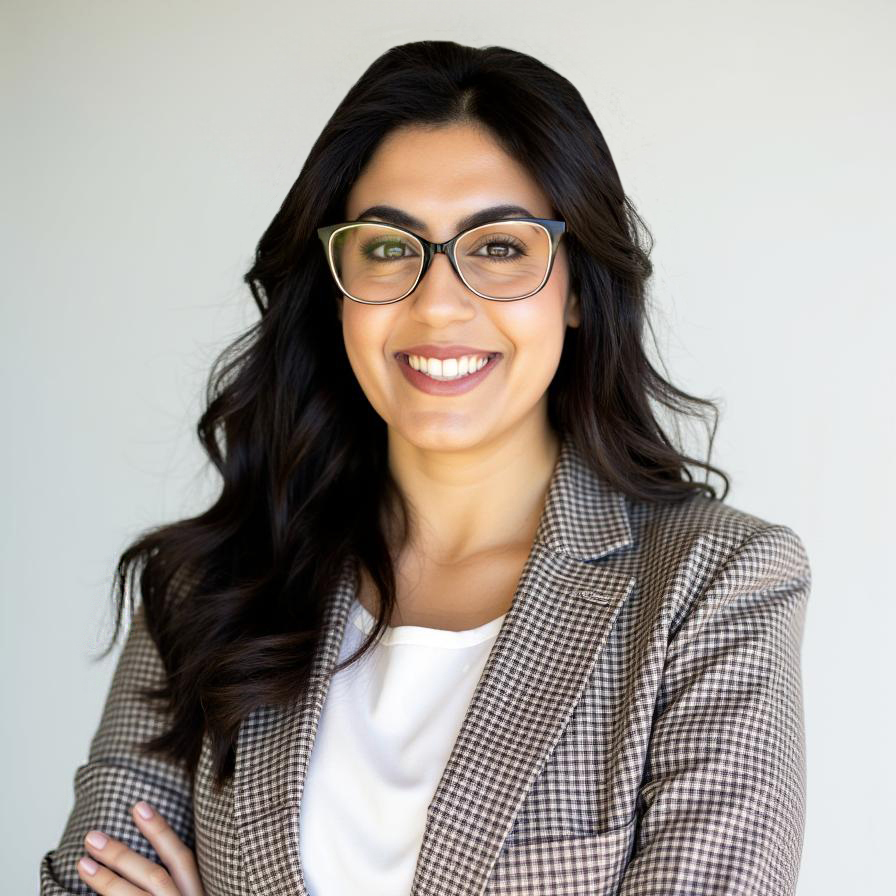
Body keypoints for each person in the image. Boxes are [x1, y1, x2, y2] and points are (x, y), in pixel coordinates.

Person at [40, 40, 812, 896]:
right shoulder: (205, 586)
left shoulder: (714, 585)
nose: (437, 304)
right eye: (386, 248)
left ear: (579, 289)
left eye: (500, 248)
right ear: (336, 286)